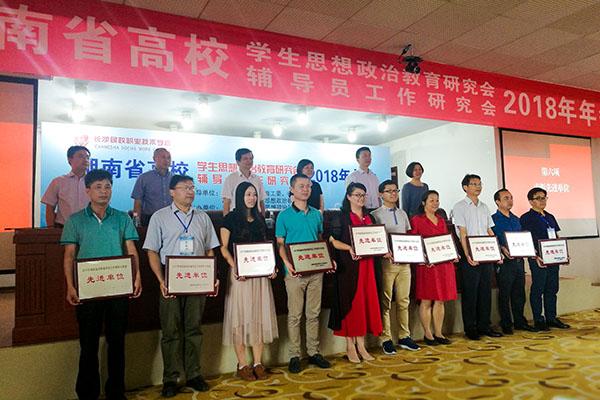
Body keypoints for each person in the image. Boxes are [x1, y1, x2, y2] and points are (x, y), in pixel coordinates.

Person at [60, 168, 142, 400]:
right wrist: (70, 285)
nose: (103, 191)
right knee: (88, 344)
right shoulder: (75, 220)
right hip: (88, 290)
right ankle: (87, 393)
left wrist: (137, 276)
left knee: (117, 342)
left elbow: (131, 249)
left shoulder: (122, 218)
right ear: (87, 191)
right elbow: (69, 255)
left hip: (118, 288)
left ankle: (116, 392)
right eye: (98, 187)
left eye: (107, 187)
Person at [143, 174, 220, 397]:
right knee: (170, 332)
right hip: (171, 279)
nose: (190, 191)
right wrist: (161, 280)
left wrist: (213, 276)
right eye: (185, 187)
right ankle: (170, 379)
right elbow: (152, 251)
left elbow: (209, 249)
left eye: (192, 187)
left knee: (194, 329)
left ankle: (194, 375)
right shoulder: (160, 217)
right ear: (171, 192)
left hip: (197, 278)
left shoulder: (203, 217)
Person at [220, 182, 278, 381]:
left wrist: (271, 267)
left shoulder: (260, 218)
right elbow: (223, 247)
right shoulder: (230, 218)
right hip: (240, 276)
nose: (252, 198)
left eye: (254, 194)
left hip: (259, 276)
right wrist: (234, 266)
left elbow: (265, 247)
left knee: (258, 317)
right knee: (240, 319)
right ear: (239, 196)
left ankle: (258, 363)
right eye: (247, 194)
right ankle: (242, 364)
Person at [276, 173, 332, 373]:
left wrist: (327, 260)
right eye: (301, 186)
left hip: (316, 271)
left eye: (308, 186)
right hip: (294, 273)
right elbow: (280, 244)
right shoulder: (283, 215)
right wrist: (287, 263)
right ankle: (294, 355)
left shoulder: (317, 214)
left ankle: (314, 352)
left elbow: (319, 239)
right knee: (295, 315)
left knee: (314, 314)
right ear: (292, 189)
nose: (306, 189)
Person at [328, 182, 383, 363]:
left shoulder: (369, 217)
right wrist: (349, 248)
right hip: (349, 268)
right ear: (348, 196)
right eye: (357, 195)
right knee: (351, 305)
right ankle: (350, 346)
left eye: (363, 195)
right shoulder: (341, 218)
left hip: (368, 267)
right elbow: (333, 241)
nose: (361, 198)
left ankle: (361, 345)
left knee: (365, 304)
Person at [371, 180, 420, 354]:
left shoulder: (402, 213)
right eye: (389, 191)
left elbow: (407, 236)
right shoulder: (375, 215)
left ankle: (404, 336)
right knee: (385, 302)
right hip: (386, 263)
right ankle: (386, 338)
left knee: (403, 301)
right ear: (380, 194)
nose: (393, 194)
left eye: (395, 190)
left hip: (404, 263)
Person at [452, 174, 502, 340]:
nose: (478, 187)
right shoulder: (459, 207)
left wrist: (497, 251)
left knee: (485, 292)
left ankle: (484, 326)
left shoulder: (484, 206)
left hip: (486, 253)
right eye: (474, 184)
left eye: (479, 183)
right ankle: (470, 328)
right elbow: (462, 232)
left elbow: (489, 230)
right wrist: (467, 254)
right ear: (465, 187)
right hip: (470, 254)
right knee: (470, 293)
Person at [409, 190, 457, 346]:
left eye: (437, 200)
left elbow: (445, 241)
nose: (435, 203)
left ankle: (439, 332)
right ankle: (427, 334)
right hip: (427, 266)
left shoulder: (441, 220)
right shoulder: (416, 220)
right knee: (426, 300)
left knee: (440, 300)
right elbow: (414, 242)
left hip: (442, 265)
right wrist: (423, 256)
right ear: (423, 203)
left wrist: (453, 253)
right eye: (431, 200)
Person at [519, 187, 570, 331]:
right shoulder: (526, 218)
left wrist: (564, 253)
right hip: (538, 259)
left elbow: (557, 236)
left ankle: (551, 318)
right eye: (538, 198)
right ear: (531, 201)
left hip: (553, 258)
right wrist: (534, 256)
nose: (542, 201)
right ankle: (538, 320)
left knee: (552, 289)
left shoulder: (550, 216)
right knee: (538, 289)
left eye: (544, 198)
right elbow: (526, 239)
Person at [491, 189, 538, 334]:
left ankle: (520, 321)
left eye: (511, 198)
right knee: (505, 293)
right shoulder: (492, 219)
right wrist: (501, 247)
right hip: (504, 262)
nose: (510, 201)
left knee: (519, 293)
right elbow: (491, 239)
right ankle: (506, 323)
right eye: (506, 198)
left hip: (518, 261)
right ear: (497, 202)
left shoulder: (516, 219)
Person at [42, 145, 91, 227]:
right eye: (80, 156)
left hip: (90, 229)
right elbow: (50, 208)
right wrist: (51, 229)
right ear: (70, 160)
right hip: (64, 228)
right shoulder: (58, 181)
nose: (85, 160)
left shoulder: (94, 182)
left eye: (87, 157)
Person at [131, 148, 174, 226]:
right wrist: (136, 223)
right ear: (154, 159)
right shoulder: (144, 178)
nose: (166, 160)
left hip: (172, 218)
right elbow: (137, 202)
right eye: (163, 157)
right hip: (149, 219)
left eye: (169, 158)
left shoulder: (175, 179)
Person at [222, 148, 266, 216]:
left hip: (255, 217)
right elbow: (226, 203)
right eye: (245, 158)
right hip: (236, 217)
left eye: (251, 158)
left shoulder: (257, 179)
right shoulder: (230, 178)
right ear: (238, 162)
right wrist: (227, 220)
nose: (249, 161)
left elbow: (261, 202)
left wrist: (262, 218)